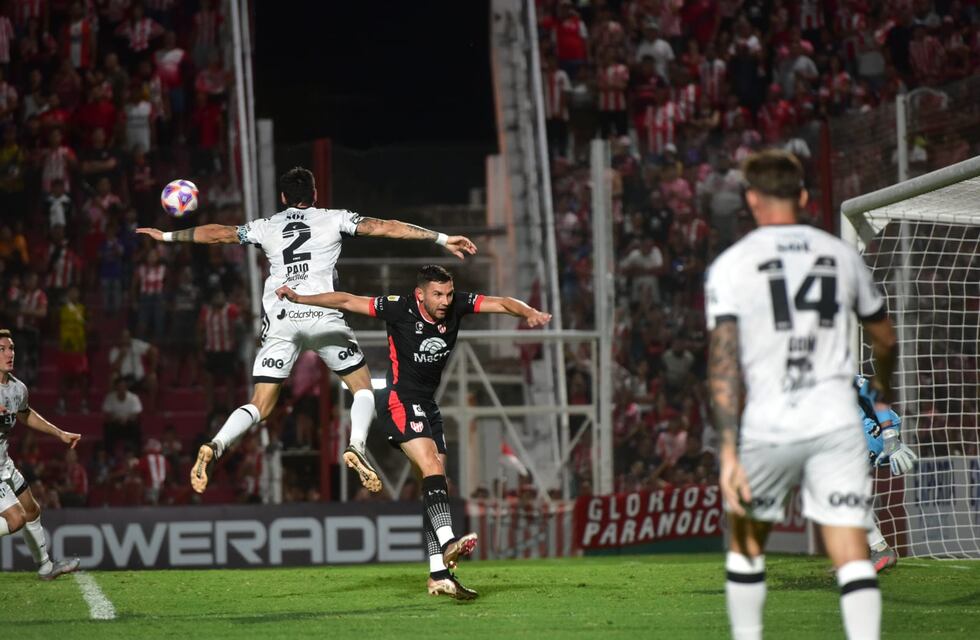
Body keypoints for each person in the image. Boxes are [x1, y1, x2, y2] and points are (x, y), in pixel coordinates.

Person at [136, 167, 477, 496]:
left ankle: (216, 444)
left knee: (260, 404)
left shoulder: (266, 226)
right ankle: (356, 446)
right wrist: (441, 238)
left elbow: (218, 233)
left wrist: (167, 236)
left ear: (283, 197)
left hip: (282, 316)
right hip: (321, 312)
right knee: (362, 388)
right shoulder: (335, 218)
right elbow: (385, 227)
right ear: (314, 194)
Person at [705, 150, 897, 640]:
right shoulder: (841, 256)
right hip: (834, 424)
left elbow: (723, 365)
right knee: (851, 552)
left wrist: (726, 449)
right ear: (804, 197)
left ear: (752, 200)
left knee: (746, 549)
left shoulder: (731, 265)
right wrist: (881, 399)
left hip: (770, 422)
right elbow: (885, 340)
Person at [275, 264, 551, 600]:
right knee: (432, 467)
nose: (445, 301)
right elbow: (347, 300)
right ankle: (448, 541)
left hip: (428, 405)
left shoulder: (457, 305)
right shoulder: (398, 308)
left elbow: (502, 303)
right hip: (399, 401)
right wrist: (300, 298)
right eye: (438, 294)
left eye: (448, 293)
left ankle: (438, 575)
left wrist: (529, 312)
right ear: (420, 294)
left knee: (436, 482)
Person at [0, 328, 82, 579]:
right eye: (2, 349)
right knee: (16, 520)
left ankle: (46, 567)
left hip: (4, 464)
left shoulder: (17, 389)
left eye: (11, 348)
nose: (9, 354)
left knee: (32, 510)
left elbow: (25, 414)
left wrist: (60, 433)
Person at [854, 375, 917, 572]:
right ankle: (865, 551)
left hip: (873, 431)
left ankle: (878, 549)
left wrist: (890, 436)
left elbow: (875, 393)